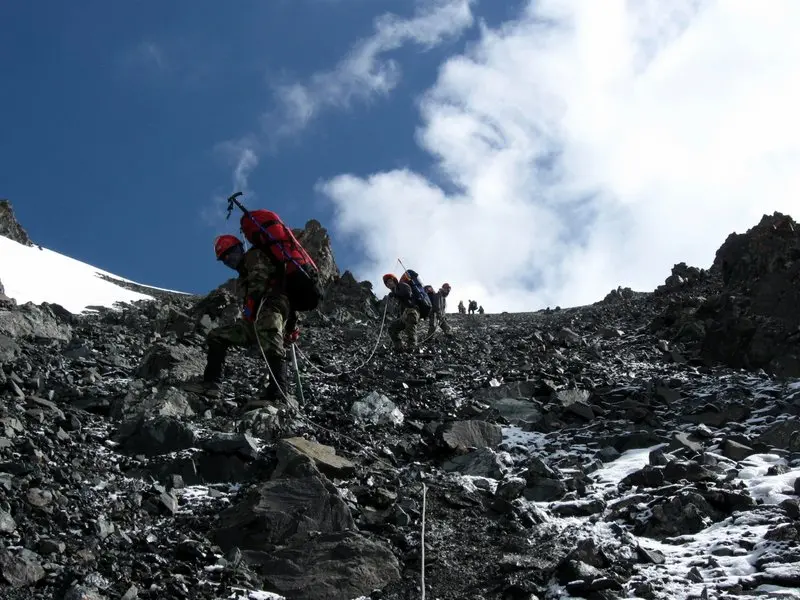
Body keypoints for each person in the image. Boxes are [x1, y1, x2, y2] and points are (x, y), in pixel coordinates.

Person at [185, 234, 299, 405]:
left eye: (228, 254)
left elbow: (260, 284)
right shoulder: (243, 274)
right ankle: (211, 384)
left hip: (271, 306)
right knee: (217, 335)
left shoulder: (255, 256)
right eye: (224, 259)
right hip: (257, 315)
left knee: (271, 342)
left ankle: (278, 394)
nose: (227, 260)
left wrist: (290, 327)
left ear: (238, 249)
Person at [383, 273, 420, 352]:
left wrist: (394, 294)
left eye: (390, 281)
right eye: (387, 283)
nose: (388, 284)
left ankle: (412, 347)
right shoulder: (396, 291)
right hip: (404, 315)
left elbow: (407, 293)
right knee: (392, 328)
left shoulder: (402, 285)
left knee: (410, 327)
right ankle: (399, 347)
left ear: (394, 281)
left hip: (412, 310)